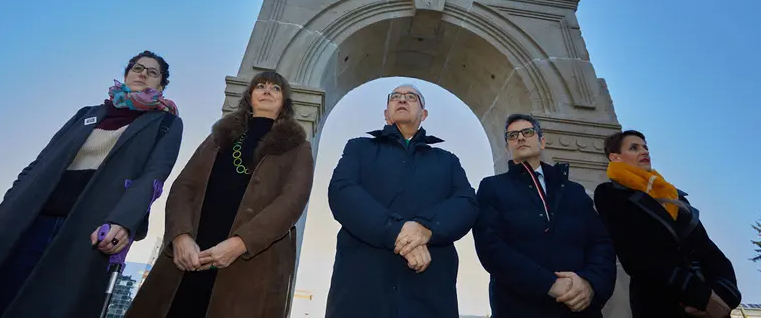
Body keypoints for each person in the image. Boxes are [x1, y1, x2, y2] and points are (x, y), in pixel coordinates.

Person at [0, 50, 183, 317]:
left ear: (161, 85)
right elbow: (40, 163)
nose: (143, 74)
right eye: (138, 68)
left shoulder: (166, 123)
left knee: (51, 304)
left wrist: (124, 221)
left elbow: (153, 175)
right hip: (31, 218)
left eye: (152, 72)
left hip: (90, 228)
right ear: (126, 74)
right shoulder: (87, 114)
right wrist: (8, 205)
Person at [127, 70, 314, 318]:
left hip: (252, 264)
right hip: (190, 255)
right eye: (260, 86)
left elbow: (292, 202)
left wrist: (241, 243)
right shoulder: (218, 137)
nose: (267, 91)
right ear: (249, 96)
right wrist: (180, 236)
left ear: (284, 102)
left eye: (275, 88)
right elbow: (184, 187)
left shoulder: (298, 147)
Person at [324, 84, 479, 318]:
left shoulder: (447, 160)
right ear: (386, 113)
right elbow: (342, 191)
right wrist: (396, 231)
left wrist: (426, 229)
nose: (402, 100)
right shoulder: (359, 147)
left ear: (424, 114)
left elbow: (466, 203)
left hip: (429, 289)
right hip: (362, 285)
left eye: (411, 97)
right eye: (395, 97)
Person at [473, 113, 617, 317]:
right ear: (507, 148)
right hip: (519, 307)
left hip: (579, 308)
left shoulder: (573, 190)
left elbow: (601, 243)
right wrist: (549, 284)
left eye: (527, 132)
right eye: (512, 136)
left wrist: (590, 283)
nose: (520, 138)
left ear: (542, 141)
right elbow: (490, 247)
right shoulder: (492, 187)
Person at [594, 130, 741, 318]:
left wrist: (724, 295)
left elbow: (708, 250)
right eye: (634, 148)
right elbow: (637, 257)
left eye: (645, 147)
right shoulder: (611, 194)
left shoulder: (674, 196)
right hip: (661, 305)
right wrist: (703, 298)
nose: (644, 151)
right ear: (616, 157)